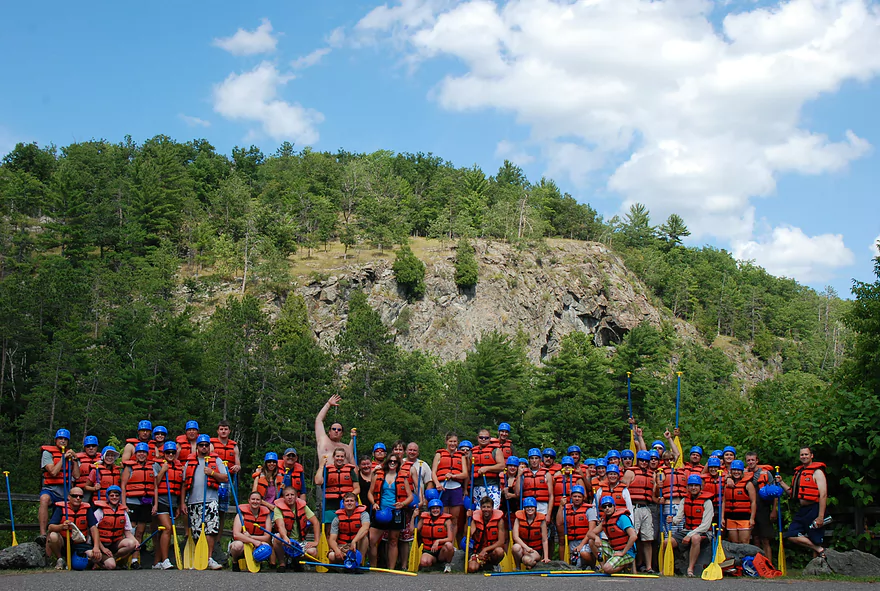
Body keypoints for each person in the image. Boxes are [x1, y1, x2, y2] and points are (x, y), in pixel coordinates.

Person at [181, 433, 227, 570]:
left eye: (206, 445)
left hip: (211, 501)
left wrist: (212, 473)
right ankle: (199, 557)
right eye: (201, 445)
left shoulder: (216, 461)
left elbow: (225, 478)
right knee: (196, 531)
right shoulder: (190, 462)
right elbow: (184, 484)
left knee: (211, 530)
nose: (204, 448)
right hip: (194, 502)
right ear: (197, 447)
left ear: (209, 447)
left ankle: (209, 558)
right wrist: (183, 503)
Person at [775, 446, 828, 558]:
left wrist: (820, 516)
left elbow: (823, 495)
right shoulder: (799, 473)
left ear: (811, 455)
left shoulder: (817, 472)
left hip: (815, 508)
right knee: (791, 533)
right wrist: (781, 482)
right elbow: (792, 493)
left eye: (806, 454)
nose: (804, 456)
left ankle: (818, 569)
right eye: (802, 455)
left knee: (816, 538)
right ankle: (819, 549)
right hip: (803, 510)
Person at [368, 454, 413, 569]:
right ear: (387, 462)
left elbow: (410, 497)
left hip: (396, 512)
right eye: (390, 461)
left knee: (393, 541)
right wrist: (374, 503)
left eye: (395, 462)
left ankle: (391, 569)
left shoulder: (402, 477)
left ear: (398, 464)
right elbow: (370, 492)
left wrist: (402, 504)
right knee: (372, 539)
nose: (392, 463)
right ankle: (373, 566)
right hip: (380, 511)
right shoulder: (378, 475)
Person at [37, 428, 79, 546]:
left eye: (65, 439)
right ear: (56, 440)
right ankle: (43, 534)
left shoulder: (71, 454)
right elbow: (53, 472)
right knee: (44, 499)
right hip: (50, 489)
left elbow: (76, 476)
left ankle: (61, 542)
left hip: (65, 491)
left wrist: (74, 460)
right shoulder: (48, 453)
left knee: (62, 517)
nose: (63, 441)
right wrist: (63, 458)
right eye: (60, 438)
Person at [669, 475, 714, 577]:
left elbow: (705, 526)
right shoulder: (684, 500)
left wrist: (690, 535)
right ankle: (667, 567)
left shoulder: (707, 502)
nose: (693, 488)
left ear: (700, 487)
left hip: (703, 532)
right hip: (688, 530)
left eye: (696, 486)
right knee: (667, 542)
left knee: (695, 538)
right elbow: (678, 518)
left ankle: (690, 569)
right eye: (691, 486)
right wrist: (672, 520)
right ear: (688, 487)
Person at [46, 486, 98, 570]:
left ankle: (79, 560)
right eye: (75, 496)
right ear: (69, 497)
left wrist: (96, 547)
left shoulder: (87, 509)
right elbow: (51, 527)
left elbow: (93, 528)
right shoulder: (61, 508)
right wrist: (62, 526)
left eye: (80, 496)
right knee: (53, 536)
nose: (78, 498)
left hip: (79, 543)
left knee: (95, 556)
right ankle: (60, 559)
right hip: (64, 542)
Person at [120, 442, 155, 569]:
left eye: (144, 453)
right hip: (132, 502)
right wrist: (124, 504)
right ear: (135, 454)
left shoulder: (152, 467)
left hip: (145, 503)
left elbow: (155, 487)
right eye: (139, 452)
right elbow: (123, 486)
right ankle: (124, 559)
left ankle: (135, 560)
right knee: (131, 531)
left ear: (147, 454)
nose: (141, 455)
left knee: (140, 533)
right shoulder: (129, 467)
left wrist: (155, 504)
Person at [271, 486, 320, 572]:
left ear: (296, 496)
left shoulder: (303, 507)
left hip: (299, 542)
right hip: (286, 540)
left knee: (313, 552)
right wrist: (285, 537)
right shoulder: (278, 508)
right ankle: (282, 564)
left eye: (292, 495)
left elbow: (315, 522)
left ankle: (296, 560)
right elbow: (281, 525)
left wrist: (316, 541)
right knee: (277, 537)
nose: (290, 497)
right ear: (283, 497)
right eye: (287, 495)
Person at [89, 485, 138, 570]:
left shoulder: (123, 512)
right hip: (101, 543)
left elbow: (127, 532)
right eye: (112, 495)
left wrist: (136, 542)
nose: (114, 497)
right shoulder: (100, 511)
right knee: (111, 566)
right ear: (108, 497)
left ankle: (113, 557)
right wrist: (103, 548)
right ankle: (98, 562)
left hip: (114, 543)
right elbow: (93, 532)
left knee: (132, 543)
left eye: (117, 495)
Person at [432, 433, 469, 544]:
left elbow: (465, 474)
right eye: (450, 441)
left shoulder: (461, 455)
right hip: (442, 488)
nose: (452, 444)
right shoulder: (439, 455)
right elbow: (433, 472)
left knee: (454, 518)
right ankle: (441, 542)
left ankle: (451, 544)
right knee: (442, 517)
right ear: (446, 442)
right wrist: (437, 483)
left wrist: (454, 476)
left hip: (456, 488)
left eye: (455, 441)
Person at [152, 441, 183, 570]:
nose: (170, 455)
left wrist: (179, 505)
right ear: (163, 453)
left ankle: (156, 562)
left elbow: (182, 486)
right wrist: (162, 471)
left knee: (164, 532)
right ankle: (165, 560)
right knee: (167, 528)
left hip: (173, 502)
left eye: (173, 453)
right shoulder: (158, 465)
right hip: (161, 501)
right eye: (168, 452)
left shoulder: (179, 466)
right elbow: (155, 483)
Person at [626, 450, 657, 573]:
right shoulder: (630, 472)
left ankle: (649, 567)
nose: (644, 463)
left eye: (646, 461)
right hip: (634, 507)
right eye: (641, 460)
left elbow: (654, 495)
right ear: (637, 461)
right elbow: (624, 491)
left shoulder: (652, 474)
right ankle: (633, 567)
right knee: (633, 537)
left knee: (647, 538)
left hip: (646, 508)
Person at [592, 495, 637, 575]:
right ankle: (603, 567)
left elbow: (633, 536)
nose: (607, 508)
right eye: (604, 506)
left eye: (609, 505)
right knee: (591, 541)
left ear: (614, 507)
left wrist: (623, 552)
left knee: (608, 569)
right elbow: (590, 533)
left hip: (627, 552)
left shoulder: (622, 518)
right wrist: (596, 537)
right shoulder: (605, 520)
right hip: (614, 550)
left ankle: (625, 565)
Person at [211, 420, 241, 537]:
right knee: (212, 509)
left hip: (227, 480)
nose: (223, 431)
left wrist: (237, 467)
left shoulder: (234, 446)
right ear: (218, 431)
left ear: (229, 431)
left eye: (226, 429)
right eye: (221, 429)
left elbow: (238, 464)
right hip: (215, 480)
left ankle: (218, 539)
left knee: (222, 510)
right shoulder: (211, 444)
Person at [315, 447, 360, 524]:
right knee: (329, 528)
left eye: (342, 456)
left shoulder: (350, 470)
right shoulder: (327, 470)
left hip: (345, 504)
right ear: (333, 457)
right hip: (330, 504)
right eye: (337, 456)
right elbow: (318, 481)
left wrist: (348, 497)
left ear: (344, 458)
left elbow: (357, 488)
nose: (340, 458)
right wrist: (321, 466)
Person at [229, 491, 272, 571]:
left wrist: (251, 537)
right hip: (242, 542)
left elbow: (267, 537)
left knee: (267, 547)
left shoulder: (266, 515)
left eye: (257, 500)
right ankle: (235, 562)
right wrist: (252, 541)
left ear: (261, 501)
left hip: (256, 542)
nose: (255, 501)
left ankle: (258, 562)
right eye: (253, 499)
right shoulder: (241, 514)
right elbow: (236, 535)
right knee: (237, 546)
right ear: (249, 500)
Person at [745, 451, 776, 559]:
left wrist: (774, 510)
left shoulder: (766, 474)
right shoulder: (743, 473)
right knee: (755, 539)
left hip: (764, 509)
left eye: (752, 460)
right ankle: (758, 565)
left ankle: (769, 565)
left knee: (765, 539)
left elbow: (775, 492)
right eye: (748, 460)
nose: (750, 462)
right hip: (750, 510)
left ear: (757, 461)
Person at [558, 485, 597, 568]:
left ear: (583, 498)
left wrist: (581, 545)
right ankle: (584, 565)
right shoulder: (567, 509)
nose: (577, 498)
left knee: (584, 553)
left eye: (579, 496)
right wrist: (561, 506)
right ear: (571, 497)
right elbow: (559, 523)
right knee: (577, 565)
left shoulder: (589, 510)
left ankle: (593, 566)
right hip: (573, 541)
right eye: (575, 496)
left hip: (586, 541)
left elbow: (591, 530)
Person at [467, 496, 507, 573]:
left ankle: (493, 565)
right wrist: (468, 518)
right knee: (472, 569)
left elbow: (501, 541)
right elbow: (468, 535)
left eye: (488, 507)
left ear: (492, 508)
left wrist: (485, 550)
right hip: (478, 552)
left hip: (491, 552)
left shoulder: (499, 521)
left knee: (499, 551)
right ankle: (483, 566)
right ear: (481, 508)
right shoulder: (475, 519)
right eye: (484, 507)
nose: (486, 509)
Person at [328, 492, 370, 564]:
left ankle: (358, 563)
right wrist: (337, 550)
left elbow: (365, 528)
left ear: (356, 503)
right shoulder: (337, 518)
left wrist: (354, 541)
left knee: (364, 538)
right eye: (347, 501)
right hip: (343, 545)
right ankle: (343, 564)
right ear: (343, 504)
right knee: (331, 555)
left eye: (352, 501)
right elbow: (332, 539)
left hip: (357, 545)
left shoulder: (363, 514)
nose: (349, 503)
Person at [722, 459, 756, 543]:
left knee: (744, 541)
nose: (736, 472)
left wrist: (752, 518)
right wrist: (722, 517)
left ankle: (745, 556)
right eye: (734, 470)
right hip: (731, 517)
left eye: (738, 470)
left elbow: (753, 502)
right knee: (734, 542)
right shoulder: (727, 485)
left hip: (744, 518)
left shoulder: (748, 484)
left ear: (742, 471)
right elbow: (724, 502)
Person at [314, 394, 355, 464]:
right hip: (326, 473)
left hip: (344, 474)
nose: (336, 431)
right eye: (334, 429)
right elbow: (318, 420)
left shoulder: (346, 448)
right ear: (329, 431)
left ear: (342, 433)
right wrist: (328, 404)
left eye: (339, 430)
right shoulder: (323, 441)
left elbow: (354, 467)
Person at [418, 498, 456, 572]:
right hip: (429, 550)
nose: (435, 510)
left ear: (440, 509)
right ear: (430, 510)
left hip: (441, 550)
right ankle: (436, 564)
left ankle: (447, 564)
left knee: (449, 545)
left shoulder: (447, 521)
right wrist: (413, 517)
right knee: (424, 562)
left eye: (437, 508)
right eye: (433, 508)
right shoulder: (424, 519)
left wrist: (438, 541)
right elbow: (413, 531)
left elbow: (450, 538)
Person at [512, 496, 550, 568]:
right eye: (527, 507)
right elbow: (515, 537)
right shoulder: (518, 518)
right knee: (515, 547)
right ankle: (518, 567)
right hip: (524, 547)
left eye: (532, 507)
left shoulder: (541, 520)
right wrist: (526, 548)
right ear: (524, 508)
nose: (530, 509)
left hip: (535, 550)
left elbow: (545, 540)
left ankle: (532, 563)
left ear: (535, 508)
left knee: (526, 560)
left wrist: (546, 557)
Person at [472, 429, 505, 509]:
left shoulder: (495, 451)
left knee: (493, 511)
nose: (483, 439)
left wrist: (487, 468)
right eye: (481, 437)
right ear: (477, 438)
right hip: (477, 486)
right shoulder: (472, 452)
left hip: (492, 486)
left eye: (486, 438)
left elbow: (502, 466)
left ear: (490, 439)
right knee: (478, 512)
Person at [521, 448, 552, 520]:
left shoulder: (546, 474)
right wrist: (519, 475)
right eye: (532, 458)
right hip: (527, 507)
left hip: (542, 507)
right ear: (529, 460)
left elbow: (551, 496)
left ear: (540, 460)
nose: (534, 461)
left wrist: (549, 514)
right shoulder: (524, 474)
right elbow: (518, 493)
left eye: (536, 458)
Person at [76, 436, 100, 502]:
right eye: (88, 446)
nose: (91, 448)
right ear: (84, 448)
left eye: (93, 446)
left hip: (98, 490)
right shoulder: (78, 460)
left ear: (97, 447)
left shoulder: (102, 459)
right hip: (83, 489)